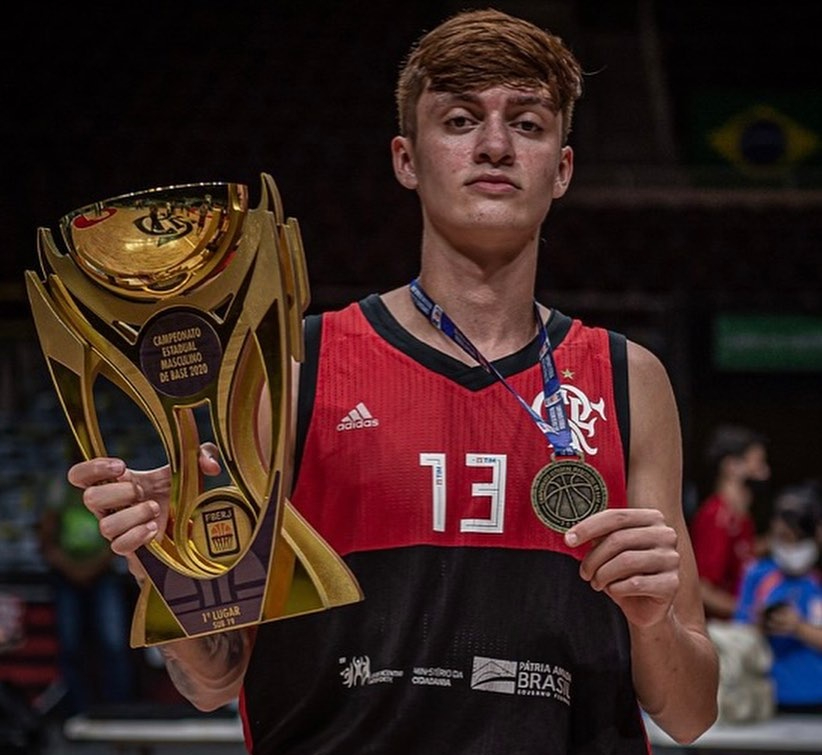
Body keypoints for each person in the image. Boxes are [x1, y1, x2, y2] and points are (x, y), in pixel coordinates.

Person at [65, 8, 718, 752]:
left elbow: (692, 711)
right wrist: (168, 563)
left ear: (562, 169)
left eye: (529, 125)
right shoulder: (292, 370)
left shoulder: (630, 380)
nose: (496, 146)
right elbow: (215, 678)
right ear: (407, 159)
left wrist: (650, 618)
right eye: (461, 120)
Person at [39, 446, 136, 717]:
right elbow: (47, 538)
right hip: (67, 575)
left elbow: (119, 535)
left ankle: (119, 708)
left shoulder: (111, 486)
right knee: (70, 645)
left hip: (103, 572)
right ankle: (78, 709)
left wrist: (92, 567)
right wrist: (71, 568)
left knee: (114, 643)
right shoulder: (60, 488)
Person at [734, 482, 822, 712]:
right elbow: (739, 634)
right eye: (783, 538)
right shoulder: (757, 574)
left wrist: (798, 628)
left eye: (796, 539)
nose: (790, 547)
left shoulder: (816, 578)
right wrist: (761, 624)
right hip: (772, 698)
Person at [689, 424, 771, 619]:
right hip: (723, 633)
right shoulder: (716, 517)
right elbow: (702, 590)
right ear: (732, 467)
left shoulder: (741, 519)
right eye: (758, 464)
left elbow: (741, 556)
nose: (765, 473)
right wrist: (751, 614)